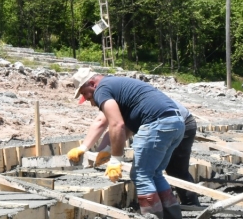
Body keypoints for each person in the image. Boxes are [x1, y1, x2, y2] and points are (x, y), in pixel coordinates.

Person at [72, 68, 184, 219]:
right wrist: (106, 149)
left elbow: (116, 125)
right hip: (176, 123)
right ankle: (173, 216)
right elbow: (127, 128)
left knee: (141, 175)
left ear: (92, 83)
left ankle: (153, 216)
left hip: (157, 125)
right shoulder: (117, 86)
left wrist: (116, 160)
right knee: (155, 173)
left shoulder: (102, 90)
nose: (87, 100)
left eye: (85, 93)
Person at [68, 99, 201, 206]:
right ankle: (171, 208)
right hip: (173, 122)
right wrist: (101, 153)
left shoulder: (111, 100)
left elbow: (112, 126)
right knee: (157, 171)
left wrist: (88, 149)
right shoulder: (121, 99)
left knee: (163, 171)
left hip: (178, 122)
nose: (92, 103)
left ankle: (187, 205)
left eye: (90, 99)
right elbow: (116, 131)